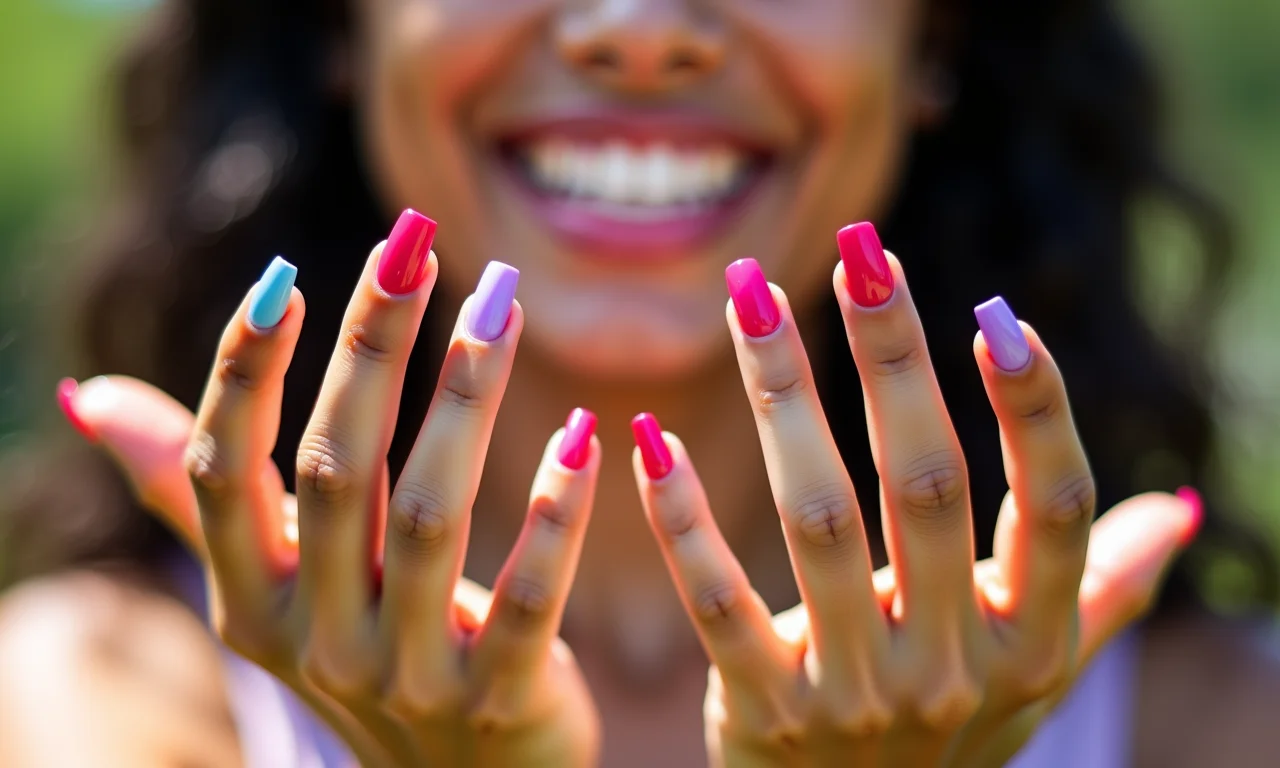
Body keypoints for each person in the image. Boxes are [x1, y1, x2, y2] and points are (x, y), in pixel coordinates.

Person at [1, 0, 1278, 765]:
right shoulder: (93, 703)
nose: (642, 33)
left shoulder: (1217, 726)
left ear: (933, 35)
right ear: (338, 23)